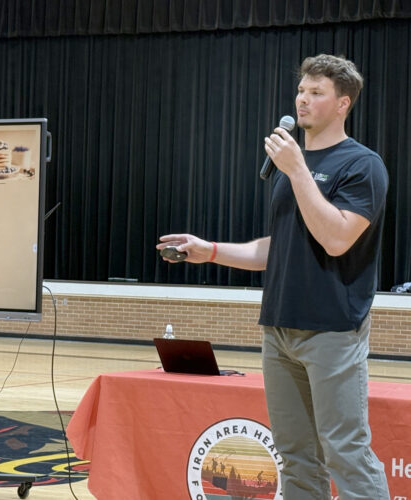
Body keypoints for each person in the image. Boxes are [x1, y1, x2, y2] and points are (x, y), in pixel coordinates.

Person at [157, 54, 390, 500]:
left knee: (345, 451)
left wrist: (298, 170)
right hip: (279, 329)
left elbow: (336, 239)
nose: (302, 99)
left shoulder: (362, 165)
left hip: (331, 331)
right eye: (301, 90)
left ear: (343, 104)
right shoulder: (291, 169)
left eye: (316, 92)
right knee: (296, 455)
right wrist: (211, 251)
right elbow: (280, 246)